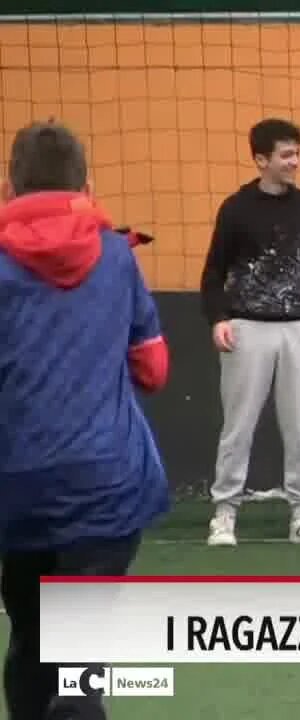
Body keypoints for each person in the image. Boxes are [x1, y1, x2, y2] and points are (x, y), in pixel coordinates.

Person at [0, 120, 170, 720]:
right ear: (87, 184)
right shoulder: (118, 258)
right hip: (105, 486)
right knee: (80, 672)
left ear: (9, 186)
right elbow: (152, 368)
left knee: (30, 642)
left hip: (17, 492)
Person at [200, 118, 300, 547]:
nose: (295, 162)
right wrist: (218, 318)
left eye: (296, 153)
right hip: (246, 329)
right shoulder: (235, 208)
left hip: (297, 327)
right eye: (286, 155)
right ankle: (224, 514)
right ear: (261, 159)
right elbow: (213, 271)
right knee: (238, 427)